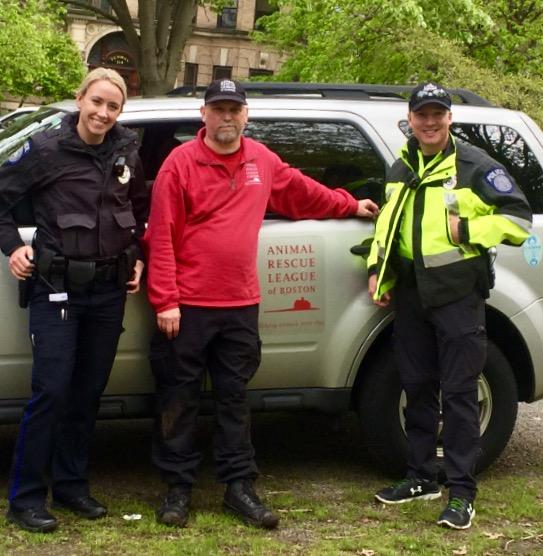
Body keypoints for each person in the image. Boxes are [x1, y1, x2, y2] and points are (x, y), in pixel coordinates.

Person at [144, 78, 378, 529]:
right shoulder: (180, 163)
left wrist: (349, 205)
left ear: (246, 116)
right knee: (178, 397)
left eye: (235, 109)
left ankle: (239, 487)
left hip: (240, 302)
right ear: (204, 115)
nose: (227, 116)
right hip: (188, 305)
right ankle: (177, 489)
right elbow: (161, 236)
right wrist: (166, 301)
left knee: (235, 399)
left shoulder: (261, 160)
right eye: (219, 109)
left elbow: (303, 192)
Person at [368, 82, 532, 530]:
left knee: (459, 395)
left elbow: (519, 220)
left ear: (449, 118)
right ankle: (421, 476)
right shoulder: (401, 165)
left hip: (457, 295)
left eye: (438, 114)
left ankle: (461, 492)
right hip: (411, 294)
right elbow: (389, 223)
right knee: (417, 385)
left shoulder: (475, 166)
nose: (430, 121)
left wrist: (470, 233)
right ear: (411, 118)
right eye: (423, 114)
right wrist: (377, 267)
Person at [0, 68, 149, 532]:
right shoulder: (45, 150)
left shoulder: (127, 149)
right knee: (52, 392)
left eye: (113, 106)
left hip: (109, 291)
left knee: (87, 394)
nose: (103, 113)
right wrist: (14, 247)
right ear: (80, 98)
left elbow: (140, 211)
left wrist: (139, 256)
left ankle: (70, 487)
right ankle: (25, 498)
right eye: (97, 102)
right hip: (57, 288)